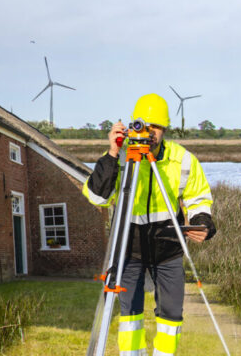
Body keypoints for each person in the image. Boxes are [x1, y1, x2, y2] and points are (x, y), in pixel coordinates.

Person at [82, 93, 217, 355]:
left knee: (171, 314)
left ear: (165, 129)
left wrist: (202, 221)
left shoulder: (182, 159)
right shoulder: (120, 156)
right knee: (130, 314)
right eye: (146, 125)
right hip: (128, 247)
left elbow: (198, 196)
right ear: (135, 125)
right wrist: (112, 152)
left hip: (168, 246)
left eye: (156, 127)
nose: (150, 133)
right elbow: (97, 197)